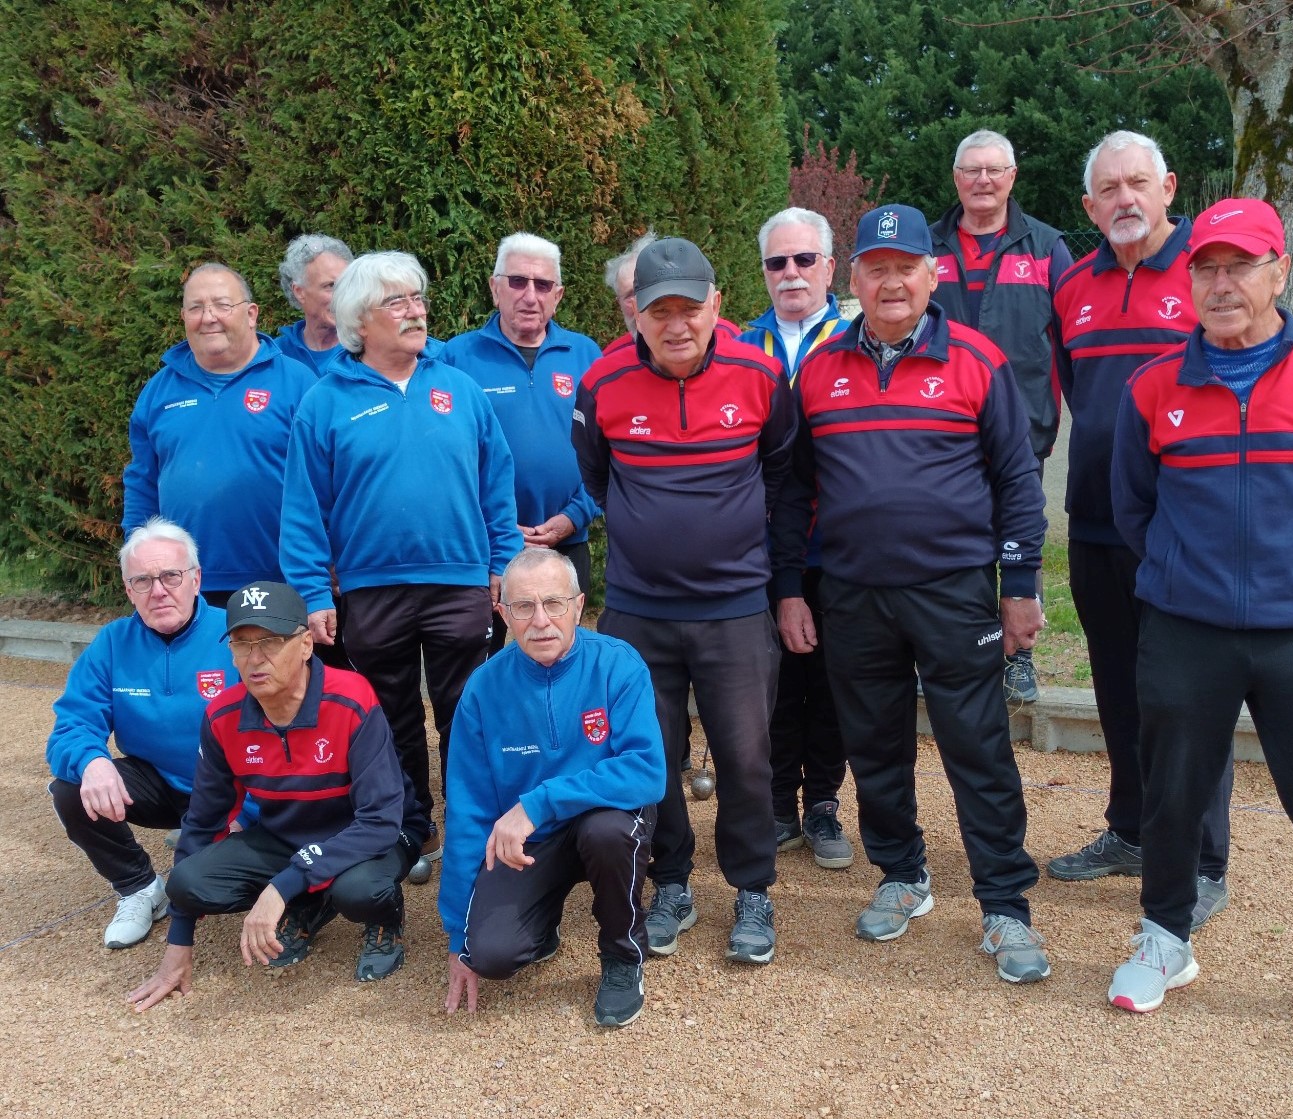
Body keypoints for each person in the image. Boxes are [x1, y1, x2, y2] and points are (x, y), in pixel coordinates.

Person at [1106, 198, 1293, 1062]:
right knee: (1171, 797)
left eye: (1238, 265)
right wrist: (1180, 575)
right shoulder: (1154, 386)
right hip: (1185, 628)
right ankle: (1165, 939)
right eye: (1203, 268)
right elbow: (1132, 507)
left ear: (1279, 271)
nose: (1218, 284)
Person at [773, 204, 1051, 985]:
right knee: (876, 748)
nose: (890, 280)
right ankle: (902, 873)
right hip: (853, 592)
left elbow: (1016, 481)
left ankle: (1003, 903)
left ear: (933, 274)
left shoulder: (976, 360)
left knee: (978, 747)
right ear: (852, 277)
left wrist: (1019, 585)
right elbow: (794, 492)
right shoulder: (820, 369)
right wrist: (790, 587)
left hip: (953, 590)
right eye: (875, 267)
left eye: (906, 266)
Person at [573, 237, 796, 966]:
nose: (675, 325)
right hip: (640, 610)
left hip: (733, 607)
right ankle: (671, 881)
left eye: (689, 309)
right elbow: (599, 481)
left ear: (716, 307)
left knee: (744, 757)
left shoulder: (760, 374)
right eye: (658, 310)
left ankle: (752, 889)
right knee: (650, 757)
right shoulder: (601, 383)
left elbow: (786, 477)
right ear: (635, 312)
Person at [280, 250, 522, 864]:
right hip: (370, 591)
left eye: (417, 298)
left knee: (465, 711)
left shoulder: (459, 388)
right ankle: (411, 827)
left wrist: (505, 563)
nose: (416, 312)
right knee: (390, 720)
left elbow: (497, 483)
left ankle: (472, 825)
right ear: (360, 321)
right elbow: (303, 508)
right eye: (398, 303)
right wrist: (311, 593)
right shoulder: (324, 401)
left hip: (461, 585)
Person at [1048, 131, 1234, 930]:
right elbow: (1078, 392)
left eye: (1137, 184)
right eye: (1107, 189)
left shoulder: (1207, 274)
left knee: (1188, 695)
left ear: (1167, 188)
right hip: (1095, 521)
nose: (1124, 199)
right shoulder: (1073, 287)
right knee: (1117, 688)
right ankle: (1129, 830)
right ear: (1088, 207)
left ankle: (1201, 860)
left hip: (1184, 525)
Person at [126, 581, 429, 1012]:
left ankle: (384, 921)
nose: (255, 658)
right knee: (188, 882)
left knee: (358, 891)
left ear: (306, 645)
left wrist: (280, 886)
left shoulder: (351, 697)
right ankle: (310, 900)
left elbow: (381, 819)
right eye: (242, 644)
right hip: (287, 834)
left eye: (270, 642)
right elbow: (203, 821)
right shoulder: (222, 715)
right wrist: (179, 941)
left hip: (374, 833)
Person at [441, 550, 666, 1027]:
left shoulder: (618, 665)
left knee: (608, 832)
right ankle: (540, 932)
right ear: (502, 613)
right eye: (523, 606)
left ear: (579, 606)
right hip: (531, 847)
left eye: (554, 603)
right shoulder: (482, 690)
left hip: (600, 825)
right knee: (493, 954)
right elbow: (467, 815)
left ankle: (623, 957)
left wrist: (538, 802)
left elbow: (648, 772)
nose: (540, 621)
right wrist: (457, 941)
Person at [928, 129, 1073, 706]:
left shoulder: (1045, 248)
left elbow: (1069, 340)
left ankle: (1020, 657)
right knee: (941, 548)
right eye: (971, 170)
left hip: (1020, 433)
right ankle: (942, 652)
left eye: (994, 169)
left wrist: (1055, 417)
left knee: (1019, 542)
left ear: (1012, 176)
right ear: (956, 178)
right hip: (936, 434)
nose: (982, 180)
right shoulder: (927, 246)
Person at [46, 519, 237, 949]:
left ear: (196, 579)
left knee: (208, 889)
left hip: (231, 789)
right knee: (71, 788)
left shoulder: (236, 632)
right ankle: (138, 888)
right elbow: (70, 726)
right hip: (158, 782)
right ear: (128, 589)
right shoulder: (113, 642)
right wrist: (93, 761)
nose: (159, 590)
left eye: (171, 576)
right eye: (143, 580)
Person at [738, 207, 854, 870]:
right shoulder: (739, 345)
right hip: (759, 546)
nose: (790, 273)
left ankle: (825, 803)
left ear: (829, 267)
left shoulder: (855, 337)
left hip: (837, 546)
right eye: (777, 262)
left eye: (804, 260)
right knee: (774, 680)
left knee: (831, 680)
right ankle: (779, 800)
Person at [122, 263, 316, 605]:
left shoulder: (298, 383)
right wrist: (138, 559)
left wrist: (324, 559)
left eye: (222, 305)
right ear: (184, 317)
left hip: (283, 578)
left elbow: (328, 480)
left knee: (275, 662)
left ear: (252, 314)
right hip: (183, 585)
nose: (208, 317)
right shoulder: (158, 392)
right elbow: (142, 484)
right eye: (196, 308)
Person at [444, 232, 602, 614]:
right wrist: (496, 527)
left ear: (557, 296)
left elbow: (606, 454)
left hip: (567, 539)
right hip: (485, 547)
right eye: (517, 281)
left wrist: (573, 516)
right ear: (495, 288)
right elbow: (445, 461)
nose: (530, 295)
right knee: (483, 664)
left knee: (561, 656)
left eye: (543, 284)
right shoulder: (457, 357)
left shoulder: (585, 355)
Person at [600, 231, 743, 354]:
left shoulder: (728, 336)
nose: (644, 300)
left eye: (651, 290)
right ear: (620, 302)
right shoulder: (610, 359)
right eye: (630, 294)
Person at [274, 234, 354, 374]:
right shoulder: (277, 356)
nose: (343, 295)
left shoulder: (366, 350)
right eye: (331, 285)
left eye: (347, 284)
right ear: (299, 292)